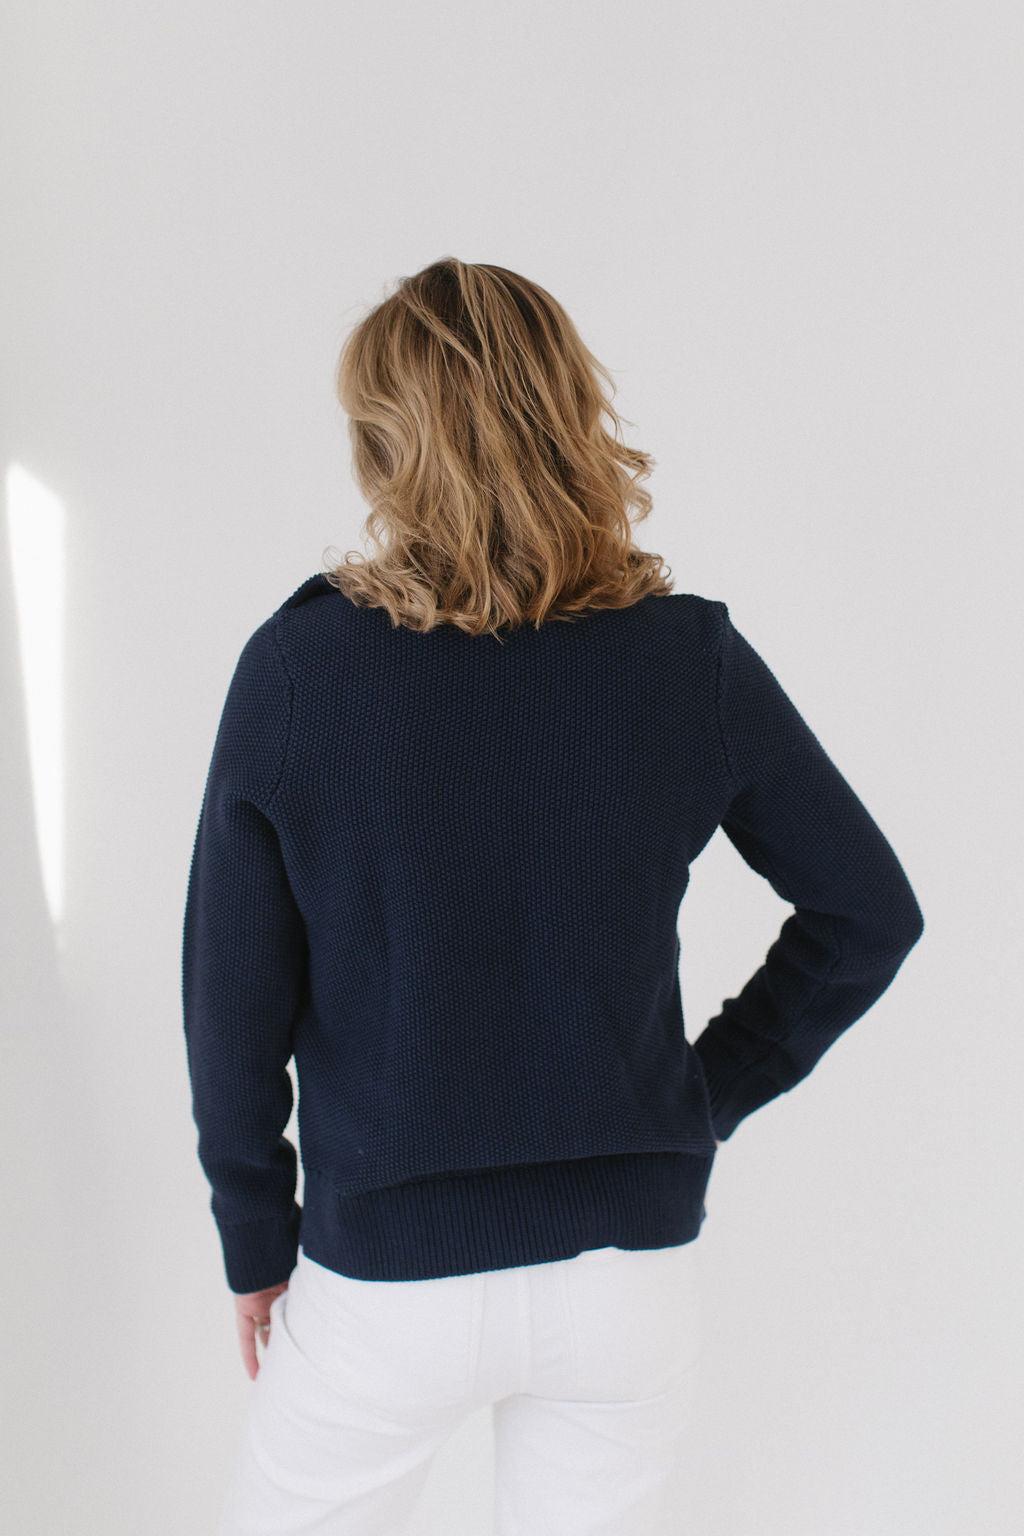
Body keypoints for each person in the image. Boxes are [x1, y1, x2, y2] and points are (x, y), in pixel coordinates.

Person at [181, 257, 924, 1535]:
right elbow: (867, 912)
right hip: (624, 1281)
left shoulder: (299, 672)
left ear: (383, 446)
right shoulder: (686, 659)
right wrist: (703, 1097)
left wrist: (257, 1234)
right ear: (571, 413)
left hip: (384, 1285)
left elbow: (230, 1000)